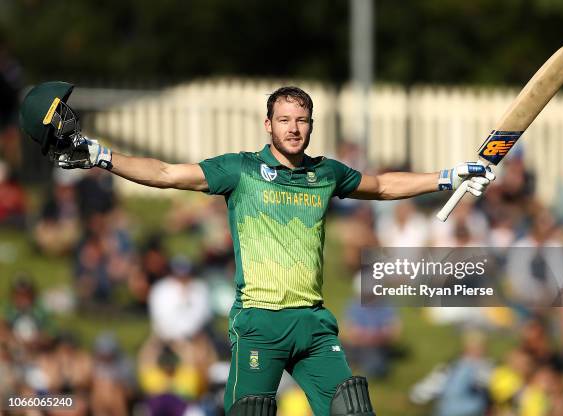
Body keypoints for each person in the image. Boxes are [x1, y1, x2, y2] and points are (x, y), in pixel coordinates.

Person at [19, 82, 495, 416]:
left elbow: (383, 184)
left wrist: (450, 175)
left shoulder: (326, 172)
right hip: (259, 324)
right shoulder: (240, 170)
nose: (293, 128)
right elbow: (164, 173)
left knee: (355, 410)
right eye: (284, 120)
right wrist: (102, 155)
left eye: (302, 120)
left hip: (312, 323)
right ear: (267, 125)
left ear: (311, 126)